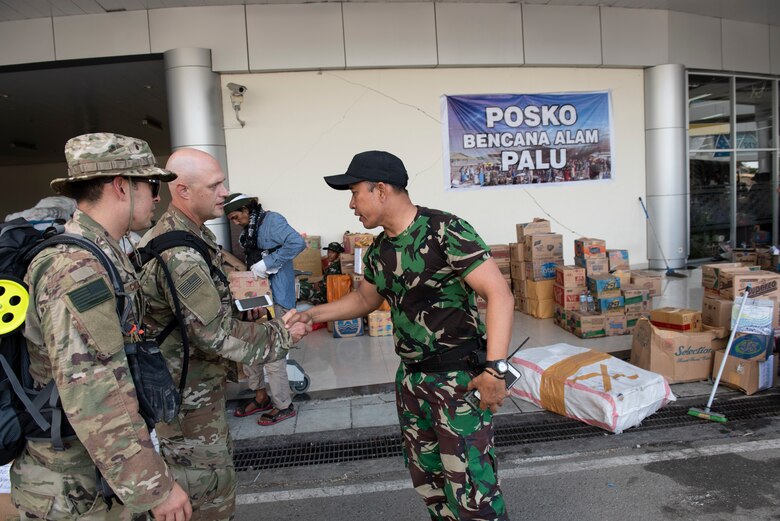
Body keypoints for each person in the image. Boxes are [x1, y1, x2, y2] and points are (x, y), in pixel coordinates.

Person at [288, 151, 514, 520]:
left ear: (380, 190)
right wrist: (309, 314)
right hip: (411, 380)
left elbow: (499, 294)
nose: (351, 204)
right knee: (430, 481)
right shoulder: (378, 250)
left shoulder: (445, 230)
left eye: (354, 192)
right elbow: (364, 298)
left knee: (472, 488)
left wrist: (495, 369)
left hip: (458, 379)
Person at [11, 133, 191, 521]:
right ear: (121, 186)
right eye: (152, 186)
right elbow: (93, 389)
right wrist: (153, 487)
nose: (159, 197)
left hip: (95, 474)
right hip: (74, 488)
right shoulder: (75, 269)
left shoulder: (105, 253)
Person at [138, 148, 307, 521]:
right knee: (207, 502)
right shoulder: (180, 252)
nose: (224, 192)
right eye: (215, 185)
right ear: (182, 190)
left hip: (198, 393)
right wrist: (281, 335)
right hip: (188, 401)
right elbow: (213, 334)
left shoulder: (192, 236)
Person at [223, 193, 306, 424]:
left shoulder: (272, 221)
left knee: (273, 352)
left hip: (277, 296)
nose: (235, 221)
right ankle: (260, 396)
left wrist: (267, 263)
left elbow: (298, 243)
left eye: (236, 216)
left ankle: (283, 405)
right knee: (249, 347)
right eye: (231, 219)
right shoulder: (248, 231)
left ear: (247, 209)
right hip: (254, 296)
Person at [298, 241, 344, 305]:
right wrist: (318, 283)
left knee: (301, 290)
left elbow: (330, 286)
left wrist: (318, 286)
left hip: (324, 295)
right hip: (322, 288)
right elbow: (326, 280)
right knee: (300, 283)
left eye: (333, 252)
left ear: (338, 254)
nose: (329, 255)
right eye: (329, 252)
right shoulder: (333, 264)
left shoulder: (335, 267)